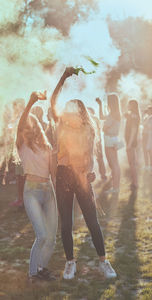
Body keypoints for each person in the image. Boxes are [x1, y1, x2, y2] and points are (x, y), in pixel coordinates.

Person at [50, 67, 117, 280]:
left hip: (82, 177)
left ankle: (103, 262)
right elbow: (52, 102)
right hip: (63, 176)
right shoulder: (61, 125)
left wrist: (92, 172)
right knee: (67, 224)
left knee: (92, 222)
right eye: (68, 110)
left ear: (81, 113)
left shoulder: (89, 130)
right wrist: (63, 78)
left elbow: (91, 157)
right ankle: (70, 263)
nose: (69, 113)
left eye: (73, 110)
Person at [16, 91, 58, 281]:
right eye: (26, 127)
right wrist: (30, 103)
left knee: (52, 239)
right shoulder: (22, 144)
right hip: (31, 191)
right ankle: (33, 272)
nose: (28, 129)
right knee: (41, 236)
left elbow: (53, 174)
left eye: (32, 126)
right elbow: (20, 125)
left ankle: (40, 268)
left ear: (38, 127)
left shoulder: (47, 146)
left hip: (48, 191)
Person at [96, 94, 122, 194]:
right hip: (113, 139)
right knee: (114, 163)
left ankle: (115, 188)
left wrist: (104, 127)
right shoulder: (114, 113)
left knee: (114, 164)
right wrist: (100, 105)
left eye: (108, 101)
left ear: (111, 102)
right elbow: (102, 117)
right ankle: (115, 185)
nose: (107, 102)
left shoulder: (113, 114)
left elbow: (104, 127)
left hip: (110, 140)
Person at [87, 107, 107, 181]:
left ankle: (102, 175)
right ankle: (102, 175)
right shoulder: (94, 119)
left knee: (98, 159)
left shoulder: (94, 119)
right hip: (95, 141)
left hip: (95, 142)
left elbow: (98, 130)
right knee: (98, 159)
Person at [124, 100, 140, 189]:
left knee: (132, 163)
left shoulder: (134, 116)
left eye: (128, 104)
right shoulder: (132, 115)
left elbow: (133, 131)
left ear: (132, 105)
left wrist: (129, 144)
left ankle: (135, 183)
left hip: (131, 143)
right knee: (131, 163)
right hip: (130, 142)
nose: (127, 106)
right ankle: (133, 182)